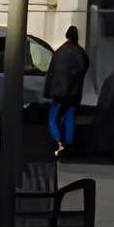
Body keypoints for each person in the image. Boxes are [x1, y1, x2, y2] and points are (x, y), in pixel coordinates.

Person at [44, 25, 89, 156]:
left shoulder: (60, 52)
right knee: (69, 117)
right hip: (74, 93)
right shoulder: (81, 53)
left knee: (52, 118)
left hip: (59, 93)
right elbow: (84, 67)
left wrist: (48, 92)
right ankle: (69, 144)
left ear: (66, 36)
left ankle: (58, 142)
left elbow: (51, 73)